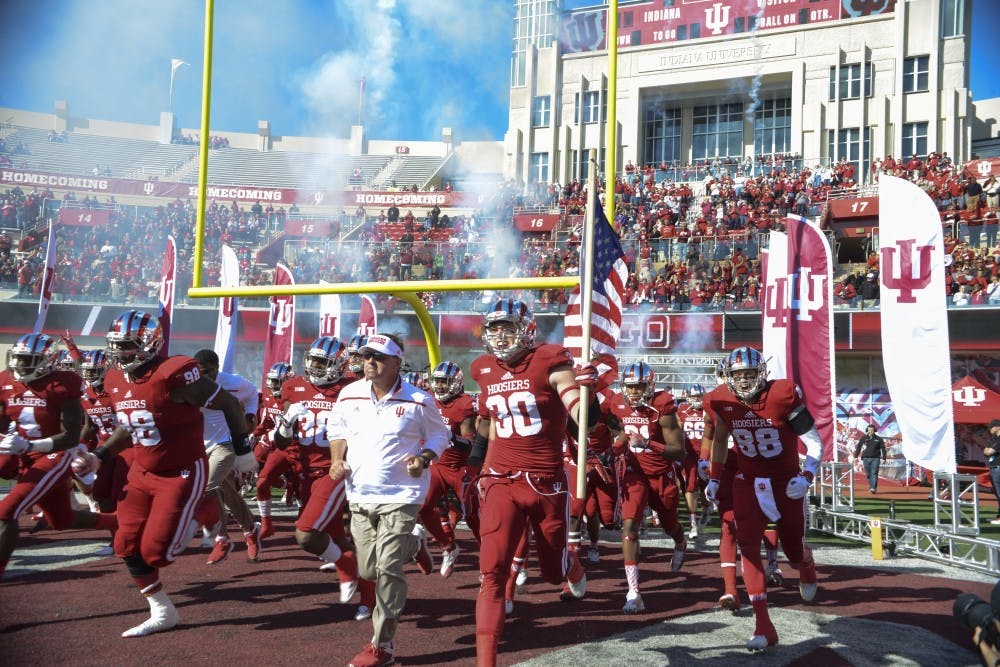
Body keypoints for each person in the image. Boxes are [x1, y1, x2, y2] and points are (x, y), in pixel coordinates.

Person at [71, 310, 254, 637]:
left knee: (158, 553)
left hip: (182, 470)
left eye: (126, 346)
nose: (119, 354)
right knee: (125, 544)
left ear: (148, 344)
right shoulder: (115, 377)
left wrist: (243, 452)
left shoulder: (174, 372)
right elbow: (132, 426)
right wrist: (100, 455)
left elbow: (229, 404)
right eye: (115, 346)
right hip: (142, 471)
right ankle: (162, 610)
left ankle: (202, 513)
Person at [468, 298, 598, 666]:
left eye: (506, 326)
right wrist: (476, 464)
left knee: (552, 573)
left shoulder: (549, 360)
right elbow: (487, 421)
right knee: (491, 573)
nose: (498, 335)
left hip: (545, 483)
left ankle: (570, 563)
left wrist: (590, 393)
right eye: (493, 327)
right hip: (500, 479)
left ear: (526, 329)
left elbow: (580, 416)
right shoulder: (482, 368)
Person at [327, 333, 450, 667]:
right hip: (360, 492)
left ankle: (383, 645)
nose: (370, 362)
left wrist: (424, 458)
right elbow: (337, 430)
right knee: (367, 567)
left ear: (397, 362)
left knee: (387, 568)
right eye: (366, 356)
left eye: (378, 357)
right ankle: (415, 547)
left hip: (402, 495)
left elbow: (441, 433)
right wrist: (337, 459)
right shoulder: (349, 394)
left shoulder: (419, 399)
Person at [704, 345, 821, 652]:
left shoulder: (782, 394)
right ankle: (764, 625)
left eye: (749, 375)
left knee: (793, 551)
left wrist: (806, 477)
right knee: (748, 546)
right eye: (737, 375)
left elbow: (815, 443)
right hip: (749, 481)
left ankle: (805, 562)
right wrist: (715, 478)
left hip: (786, 482)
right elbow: (719, 439)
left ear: (762, 374)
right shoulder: (723, 399)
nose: (742, 382)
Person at [0, 333, 118, 582]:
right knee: (62, 520)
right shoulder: (6, 381)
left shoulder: (63, 385)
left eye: (27, 360)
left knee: (7, 511)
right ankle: (118, 522)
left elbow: (71, 436)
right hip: (24, 453)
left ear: (47, 361)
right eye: (18, 359)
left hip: (55, 453)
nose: (20, 366)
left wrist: (29, 444)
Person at [271, 336, 370, 616]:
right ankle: (368, 599)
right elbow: (280, 442)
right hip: (304, 474)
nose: (315, 367)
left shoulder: (353, 389)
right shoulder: (293, 388)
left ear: (338, 365)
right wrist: (287, 424)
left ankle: (347, 567)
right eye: (312, 360)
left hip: (335, 469)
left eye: (321, 362)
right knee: (337, 539)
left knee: (306, 534)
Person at [607, 361, 687, 615]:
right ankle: (634, 592)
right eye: (629, 387)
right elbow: (622, 432)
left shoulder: (662, 406)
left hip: (661, 474)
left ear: (649, 385)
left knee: (670, 525)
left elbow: (679, 450)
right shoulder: (618, 404)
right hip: (635, 472)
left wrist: (649, 443)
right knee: (629, 527)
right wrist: (614, 450)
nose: (632, 392)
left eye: (638, 386)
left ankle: (681, 542)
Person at [193, 349, 262, 564]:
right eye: (200, 372)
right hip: (199, 445)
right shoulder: (190, 384)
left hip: (226, 443)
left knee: (208, 486)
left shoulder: (233, 382)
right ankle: (250, 529)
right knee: (225, 491)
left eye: (208, 372)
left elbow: (252, 394)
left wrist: (251, 416)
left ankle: (222, 538)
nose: (205, 377)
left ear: (217, 367)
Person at [417, 360, 478, 578]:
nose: (440, 387)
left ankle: (490, 557)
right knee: (422, 507)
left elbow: (469, 443)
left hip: (460, 466)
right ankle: (448, 547)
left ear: (456, 383)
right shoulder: (429, 400)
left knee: (473, 516)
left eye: (445, 382)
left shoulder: (463, 404)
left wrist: (449, 436)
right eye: (438, 382)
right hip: (438, 464)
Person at [252, 361, 297, 539]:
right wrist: (254, 433)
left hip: (297, 448)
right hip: (277, 447)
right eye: (272, 381)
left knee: (305, 491)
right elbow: (266, 422)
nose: (273, 386)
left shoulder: (297, 396)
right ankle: (267, 524)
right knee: (261, 481)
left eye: (278, 382)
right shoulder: (269, 398)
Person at [853, 424, 887, 493]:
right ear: (867, 430)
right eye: (869, 430)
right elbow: (859, 447)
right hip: (865, 458)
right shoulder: (864, 438)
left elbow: (883, 448)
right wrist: (855, 456)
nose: (870, 431)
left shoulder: (879, 439)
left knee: (874, 473)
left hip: (875, 459)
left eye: (871, 430)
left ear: (874, 430)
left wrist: (884, 458)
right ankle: (872, 487)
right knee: (868, 474)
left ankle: (873, 488)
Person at [984, 420, 1000, 525]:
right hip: (995, 467)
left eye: (991, 427)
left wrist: (988, 450)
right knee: (997, 493)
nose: (990, 429)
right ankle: (999, 517)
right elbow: (986, 451)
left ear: (998, 427)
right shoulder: (995, 439)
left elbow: (988, 451)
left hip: (998, 468)